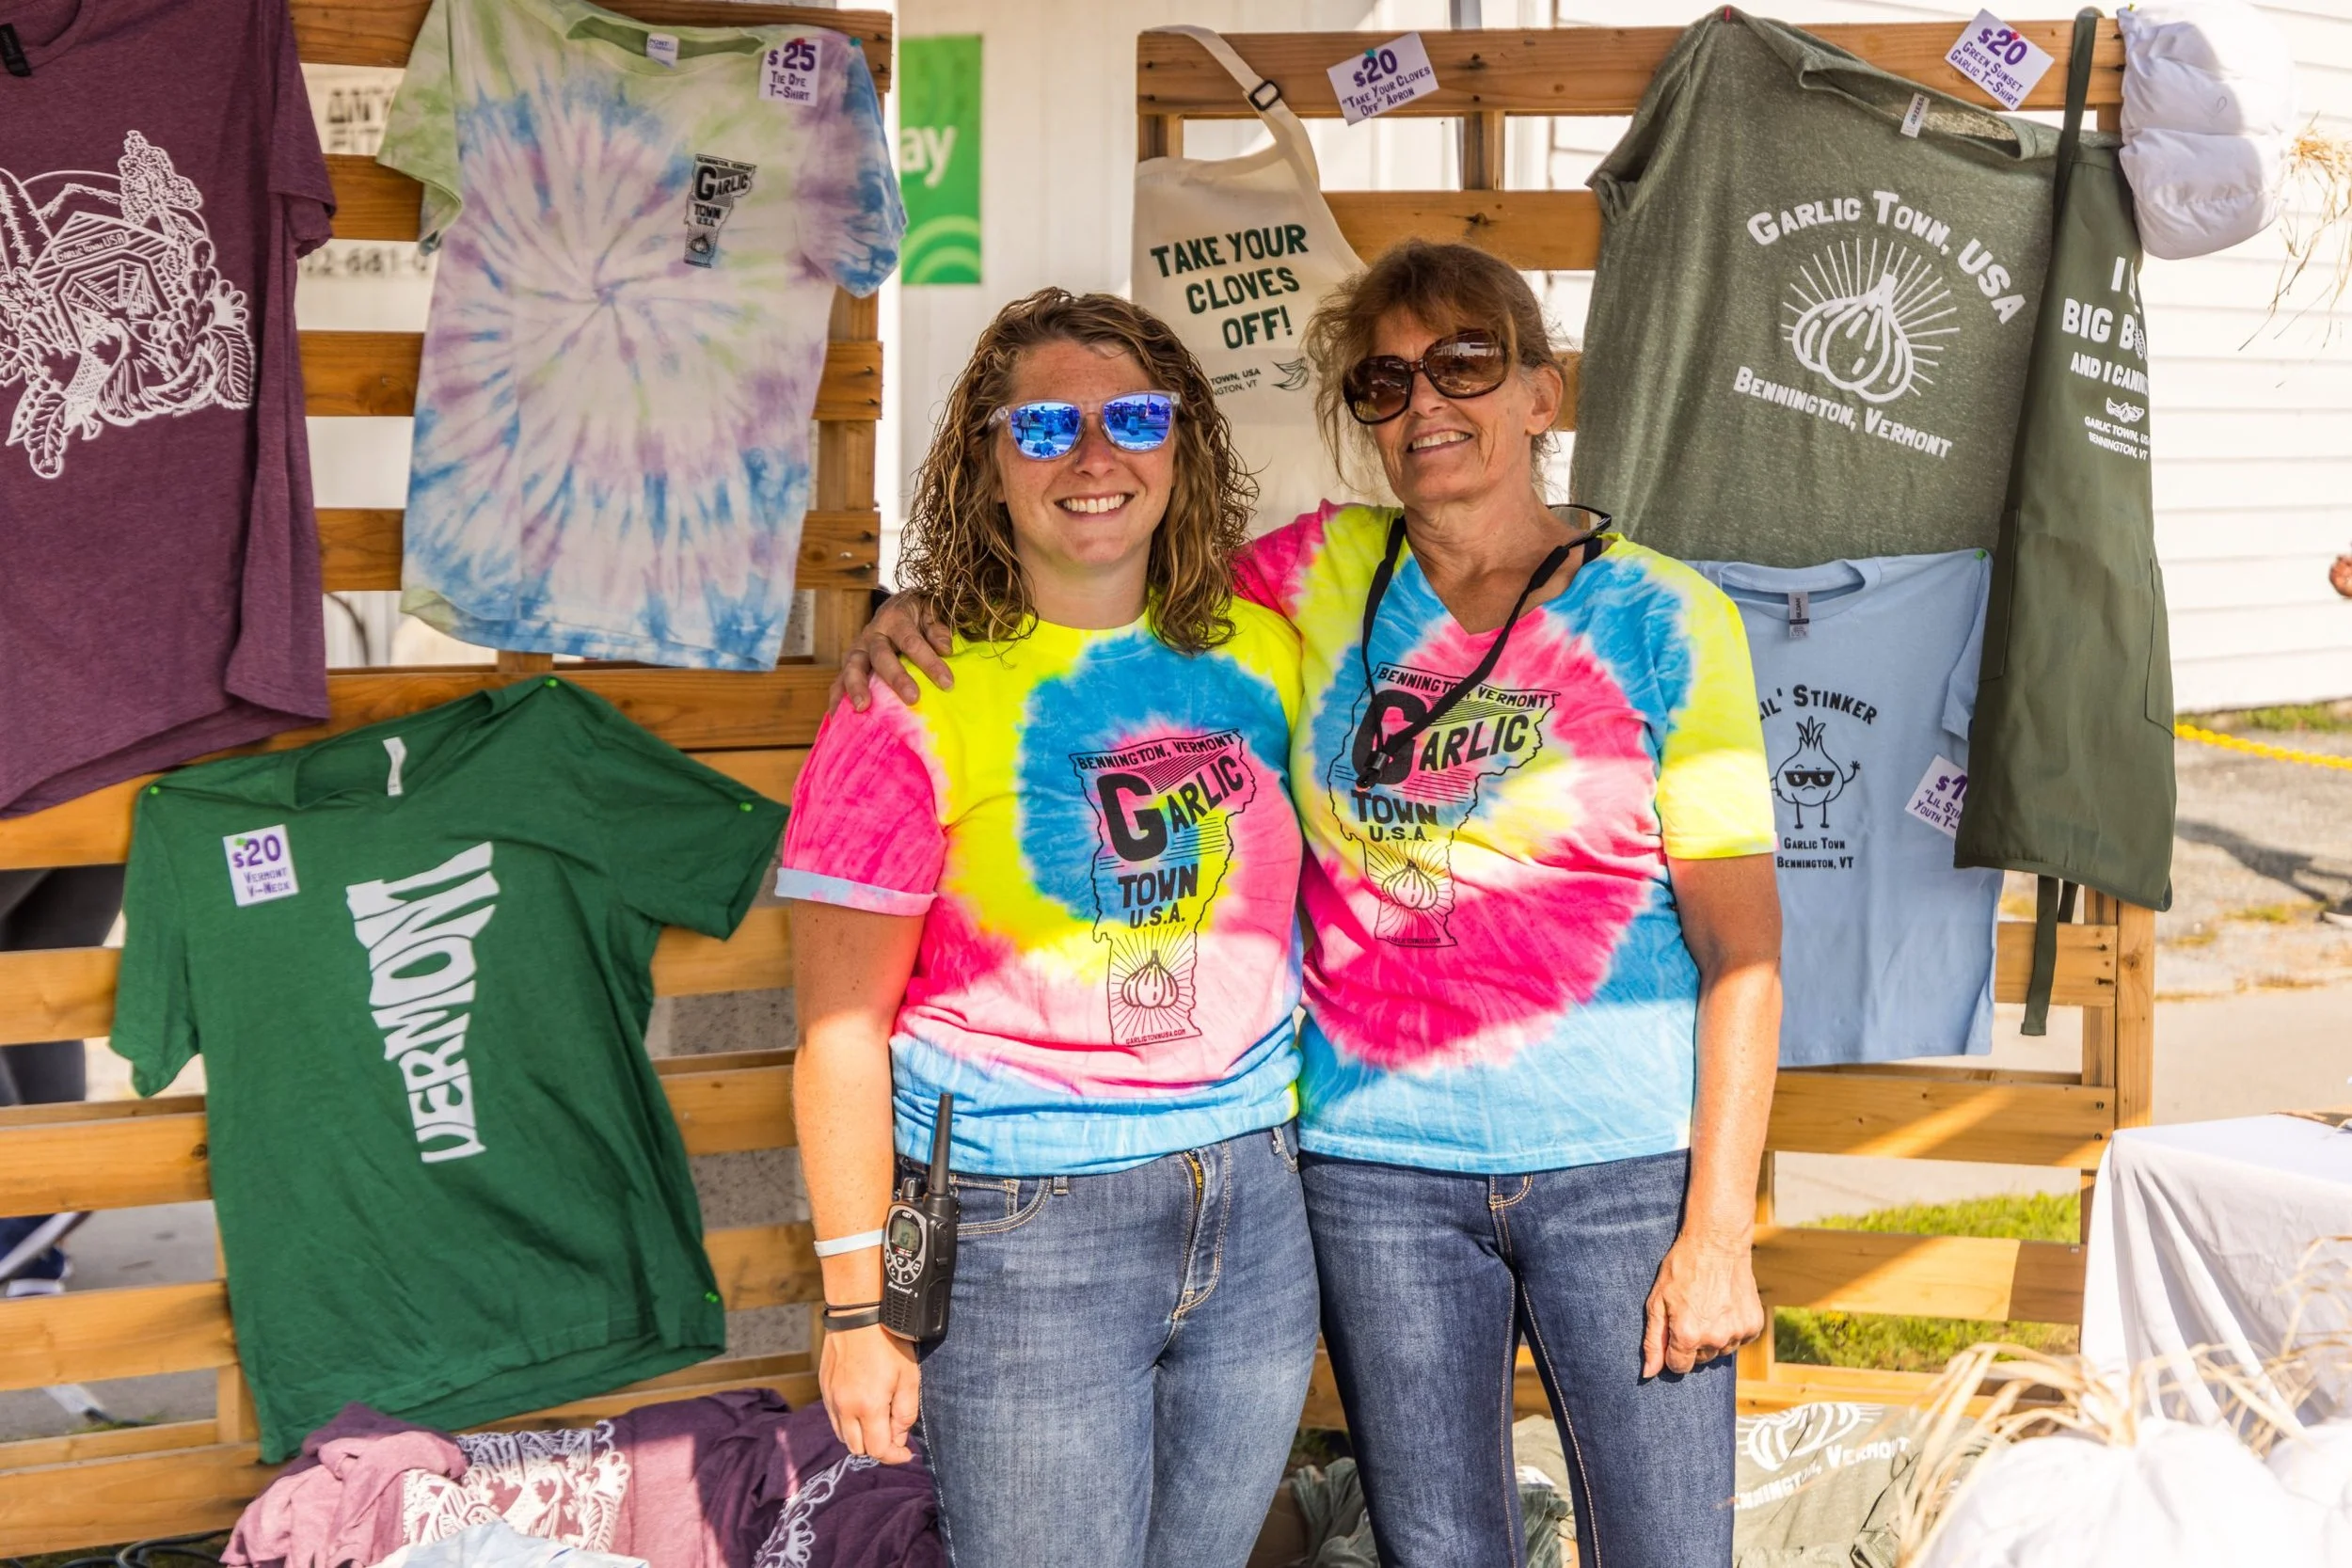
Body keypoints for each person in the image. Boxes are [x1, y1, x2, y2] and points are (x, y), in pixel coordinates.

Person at [840, 241, 1785, 1568]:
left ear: (1542, 394)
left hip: (1618, 1170)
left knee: (1671, 1548)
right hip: (1374, 1173)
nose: (1426, 403)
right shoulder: (1314, 579)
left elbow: (1745, 951)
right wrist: (913, 602)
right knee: (1441, 1549)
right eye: (1387, 381)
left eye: (1466, 362)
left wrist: (1721, 1226)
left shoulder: (1671, 615)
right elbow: (1098, 567)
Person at [781, 289, 1318, 1568]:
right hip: (1028, 1227)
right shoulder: (913, 693)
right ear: (987, 460)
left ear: (1182, 441)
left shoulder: (1266, 645)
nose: (1095, 456)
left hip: (1252, 1198)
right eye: (1045, 428)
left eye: (1134, 416)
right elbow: (838, 1033)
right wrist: (858, 1303)